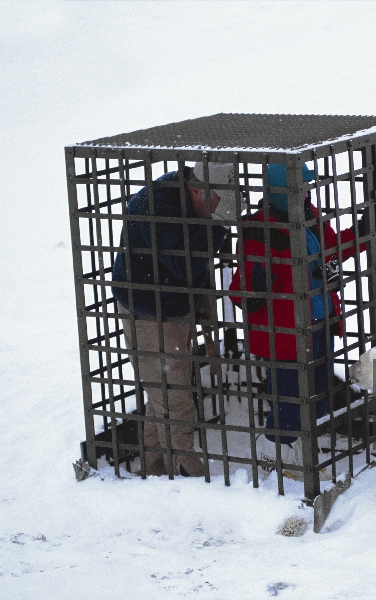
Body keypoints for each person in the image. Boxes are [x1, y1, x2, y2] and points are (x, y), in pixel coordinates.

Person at [228, 163, 376, 478]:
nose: (307, 191)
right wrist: (259, 282)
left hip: (319, 322)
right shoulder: (259, 229)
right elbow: (241, 291)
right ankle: (274, 460)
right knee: (290, 399)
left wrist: (363, 229)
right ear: (280, 191)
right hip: (286, 331)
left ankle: (297, 456)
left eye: (309, 185)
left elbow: (331, 250)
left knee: (315, 396)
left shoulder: (309, 216)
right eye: (300, 187)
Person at [111, 162, 235, 477]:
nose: (223, 209)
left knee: (161, 390)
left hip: (169, 303)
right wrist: (220, 224)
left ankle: (153, 468)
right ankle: (181, 469)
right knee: (174, 394)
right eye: (221, 200)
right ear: (197, 190)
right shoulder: (157, 208)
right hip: (150, 310)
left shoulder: (188, 194)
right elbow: (188, 266)